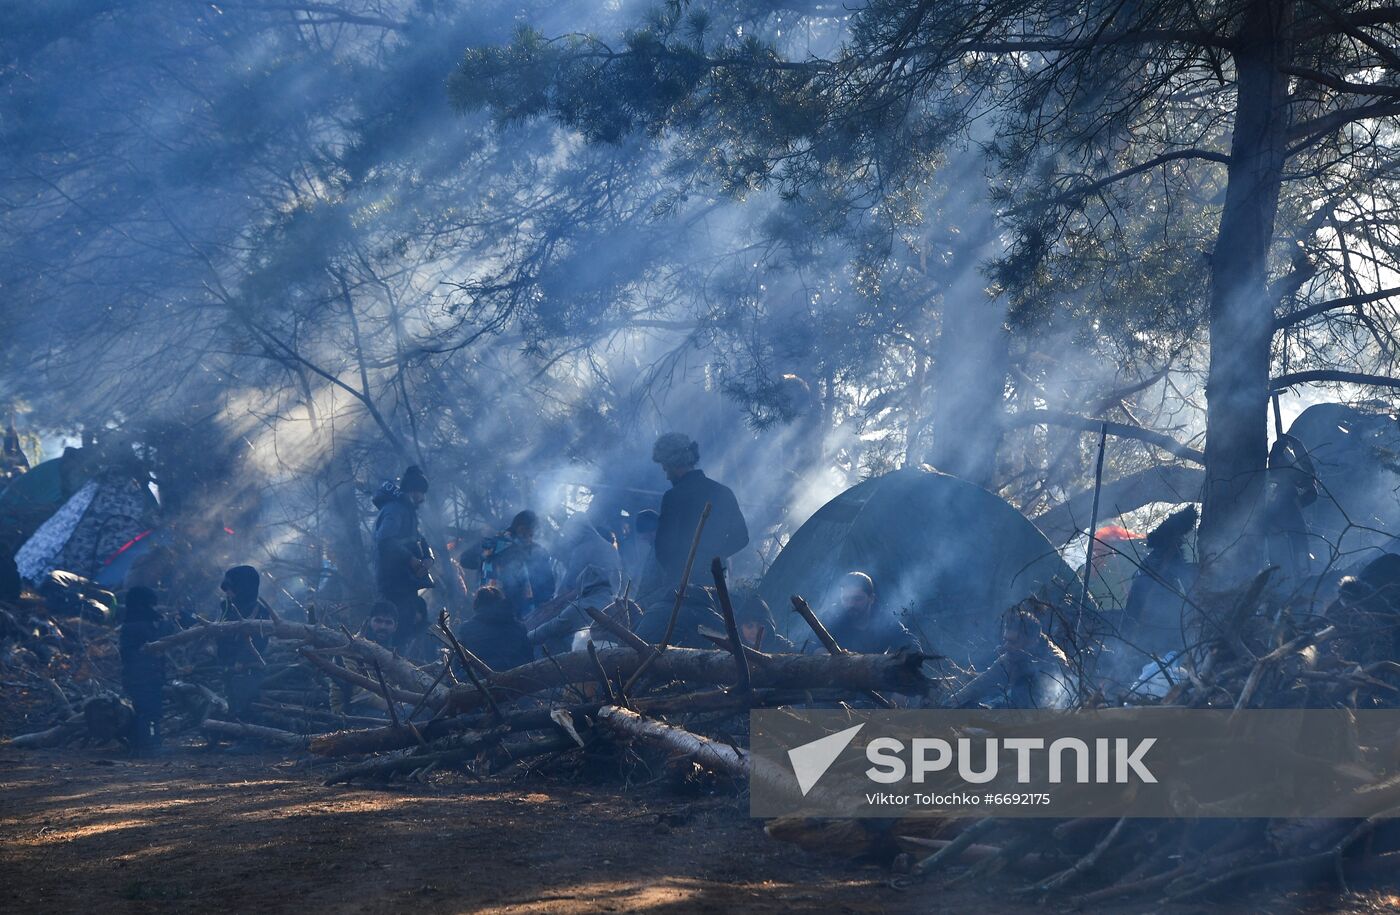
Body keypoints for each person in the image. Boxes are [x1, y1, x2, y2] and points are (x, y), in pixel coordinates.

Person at [652, 433, 749, 581]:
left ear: (674, 464)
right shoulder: (723, 492)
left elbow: (664, 548)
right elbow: (741, 538)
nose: (667, 477)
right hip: (716, 583)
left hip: (682, 587)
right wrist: (715, 558)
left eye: (666, 469)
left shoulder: (673, 497)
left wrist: (677, 572)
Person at [527, 515, 622, 654]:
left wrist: (553, 606)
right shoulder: (610, 548)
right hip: (610, 599)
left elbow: (569, 584)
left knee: (552, 639)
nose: (568, 537)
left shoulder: (583, 548)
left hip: (582, 612)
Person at [373, 465, 434, 656]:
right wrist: (412, 560)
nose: (422, 498)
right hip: (395, 582)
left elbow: (419, 540)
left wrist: (429, 557)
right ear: (411, 491)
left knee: (407, 624)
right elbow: (385, 540)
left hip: (404, 582)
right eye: (419, 492)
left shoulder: (406, 511)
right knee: (397, 628)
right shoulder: (395, 510)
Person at [469, 510, 556, 621]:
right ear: (522, 529)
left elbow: (467, 560)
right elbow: (548, 587)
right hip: (520, 616)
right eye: (531, 533)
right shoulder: (532, 551)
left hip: (486, 611)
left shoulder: (492, 544)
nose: (532, 537)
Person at [811, 571, 919, 654]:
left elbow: (909, 644)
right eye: (845, 599)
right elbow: (814, 646)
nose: (851, 604)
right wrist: (833, 658)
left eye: (857, 599)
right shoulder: (832, 617)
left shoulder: (883, 619)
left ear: (871, 599)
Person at [120, 585, 170, 753]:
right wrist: (165, 626)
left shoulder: (133, 622)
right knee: (149, 712)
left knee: (147, 710)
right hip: (143, 678)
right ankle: (148, 745)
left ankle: (143, 743)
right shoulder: (139, 625)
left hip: (142, 677)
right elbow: (155, 644)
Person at [217, 565, 271, 720]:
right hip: (229, 665)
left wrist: (243, 659)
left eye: (230, 588)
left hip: (248, 668)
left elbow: (260, 640)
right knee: (233, 705)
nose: (227, 593)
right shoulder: (228, 609)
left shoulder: (258, 611)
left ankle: (250, 740)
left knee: (247, 705)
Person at [329, 601, 398, 714]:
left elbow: (395, 687)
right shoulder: (352, 646)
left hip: (382, 709)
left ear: (395, 627)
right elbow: (354, 690)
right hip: (347, 709)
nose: (382, 626)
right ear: (369, 621)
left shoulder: (390, 653)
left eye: (388, 623)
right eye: (378, 621)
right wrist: (386, 705)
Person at [457, 585, 533, 671]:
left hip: (477, 680)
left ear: (476, 605)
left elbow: (458, 662)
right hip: (517, 679)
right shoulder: (519, 627)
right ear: (501, 603)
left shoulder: (466, 629)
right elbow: (530, 660)